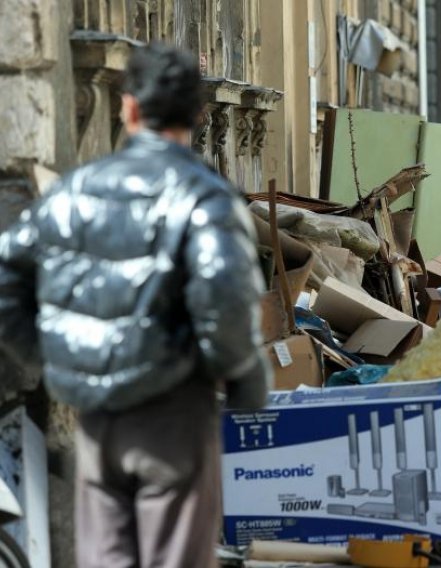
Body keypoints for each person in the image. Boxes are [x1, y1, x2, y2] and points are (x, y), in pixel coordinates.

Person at [0, 43, 271, 567]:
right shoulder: (205, 199)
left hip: (96, 418)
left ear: (127, 108)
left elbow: (5, 273)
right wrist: (244, 380)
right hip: (175, 412)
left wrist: (43, 355)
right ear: (197, 113)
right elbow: (227, 301)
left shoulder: (72, 193)